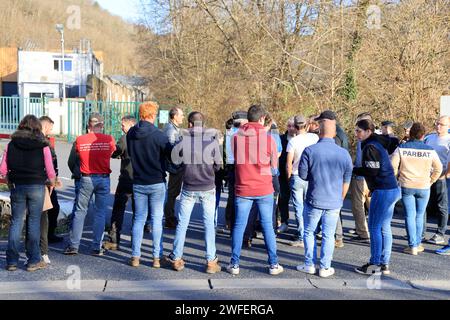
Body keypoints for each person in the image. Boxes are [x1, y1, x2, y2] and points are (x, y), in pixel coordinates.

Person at [227, 104, 283, 276]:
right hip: (264, 188)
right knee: (267, 225)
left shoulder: (236, 138)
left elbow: (238, 160)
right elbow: (274, 168)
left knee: (239, 225)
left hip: (243, 187)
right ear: (261, 119)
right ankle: (273, 264)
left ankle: (234, 263)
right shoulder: (269, 139)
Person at [296, 111, 353, 278]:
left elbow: (303, 175)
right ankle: (325, 267)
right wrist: (340, 198)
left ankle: (309, 264)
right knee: (329, 235)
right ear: (334, 132)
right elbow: (347, 178)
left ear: (318, 131)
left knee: (309, 232)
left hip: (314, 198)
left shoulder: (310, 151)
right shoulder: (344, 154)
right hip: (334, 201)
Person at [165, 112, 222, 273]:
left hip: (189, 186)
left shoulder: (184, 139)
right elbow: (218, 166)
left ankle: (176, 257)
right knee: (208, 224)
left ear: (190, 124)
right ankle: (211, 261)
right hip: (207, 186)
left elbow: (175, 160)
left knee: (182, 223)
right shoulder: (212, 140)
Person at [0, 115, 56, 272]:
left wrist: (10, 179)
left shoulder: (11, 145)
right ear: (37, 127)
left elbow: (2, 170)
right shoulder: (43, 145)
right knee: (33, 222)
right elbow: (50, 171)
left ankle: (11, 261)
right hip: (37, 186)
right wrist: (52, 183)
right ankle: (33, 260)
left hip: (17, 186)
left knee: (16, 222)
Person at [127, 102, 173, 268]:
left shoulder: (131, 133)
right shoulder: (158, 135)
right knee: (156, 220)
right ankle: (156, 257)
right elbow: (171, 153)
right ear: (153, 115)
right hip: (156, 181)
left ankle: (135, 256)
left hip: (138, 181)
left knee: (139, 219)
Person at [353, 119, 401, 276]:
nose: (356, 134)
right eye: (356, 131)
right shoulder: (377, 143)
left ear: (368, 131)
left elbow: (372, 171)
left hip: (383, 190)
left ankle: (375, 264)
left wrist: (354, 170)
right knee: (384, 227)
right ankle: (384, 263)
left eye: (359, 131)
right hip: (391, 188)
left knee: (374, 227)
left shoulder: (371, 146)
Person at [64, 113, 116, 256]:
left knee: (80, 211)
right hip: (104, 178)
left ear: (88, 125)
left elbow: (74, 158)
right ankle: (96, 247)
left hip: (86, 178)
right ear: (102, 125)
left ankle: (74, 246)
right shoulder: (109, 139)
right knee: (100, 212)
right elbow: (112, 151)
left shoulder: (80, 140)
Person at [391, 122, 442, 255]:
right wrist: (431, 181)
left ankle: (412, 245)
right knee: (420, 215)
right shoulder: (430, 150)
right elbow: (439, 168)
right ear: (423, 135)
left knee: (409, 215)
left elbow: (392, 167)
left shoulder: (402, 148)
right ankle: (418, 244)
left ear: (411, 134)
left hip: (407, 185)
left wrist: (398, 178)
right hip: (424, 186)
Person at [243, 114, 282, 247]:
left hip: (250, 175)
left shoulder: (247, 135)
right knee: (269, 209)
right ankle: (270, 239)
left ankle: (247, 236)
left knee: (252, 209)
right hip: (268, 174)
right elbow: (276, 159)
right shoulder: (273, 136)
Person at [103, 115, 137, 251]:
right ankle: (136, 241)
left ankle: (114, 240)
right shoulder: (142, 137)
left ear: (131, 124)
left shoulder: (125, 138)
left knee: (118, 209)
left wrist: (116, 152)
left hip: (126, 179)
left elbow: (115, 152)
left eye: (123, 125)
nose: (121, 128)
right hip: (140, 179)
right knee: (138, 212)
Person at [286, 115, 319, 247]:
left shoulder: (292, 142)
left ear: (295, 126)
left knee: (299, 207)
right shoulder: (315, 138)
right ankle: (311, 233)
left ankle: (301, 236)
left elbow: (289, 163)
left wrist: (288, 176)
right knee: (311, 206)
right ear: (307, 126)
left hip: (297, 176)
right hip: (312, 176)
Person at [424, 115, 450, 245]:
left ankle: (440, 234)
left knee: (442, 206)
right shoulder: (429, 138)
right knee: (423, 205)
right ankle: (420, 233)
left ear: (448, 127)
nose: (438, 126)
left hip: (441, 178)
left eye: (442, 124)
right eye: (437, 123)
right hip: (425, 177)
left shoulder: (449, 140)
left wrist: (445, 174)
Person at [349, 112, 372, 243]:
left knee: (358, 205)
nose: (357, 130)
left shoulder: (362, 140)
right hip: (372, 177)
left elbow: (360, 159)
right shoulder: (377, 138)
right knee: (372, 205)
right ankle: (373, 230)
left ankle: (363, 233)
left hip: (361, 177)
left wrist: (355, 169)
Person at [39, 116, 62, 245]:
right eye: (51, 128)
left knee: (54, 208)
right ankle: (43, 238)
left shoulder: (45, 140)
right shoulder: (41, 142)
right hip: (44, 181)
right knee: (44, 211)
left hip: (49, 180)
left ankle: (49, 234)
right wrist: (52, 180)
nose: (51, 131)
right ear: (46, 126)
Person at [224, 111, 248, 231]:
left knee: (232, 196)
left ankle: (229, 222)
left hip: (231, 166)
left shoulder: (230, 131)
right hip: (238, 165)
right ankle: (237, 224)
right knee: (239, 196)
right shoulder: (239, 133)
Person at [163, 107, 185, 229]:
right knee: (172, 192)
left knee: (173, 192)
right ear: (174, 116)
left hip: (175, 166)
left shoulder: (173, 128)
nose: (182, 117)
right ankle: (169, 218)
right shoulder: (171, 130)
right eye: (181, 115)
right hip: (175, 167)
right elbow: (172, 151)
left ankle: (170, 216)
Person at [276, 117, 296, 234]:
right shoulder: (281, 139)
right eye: (289, 126)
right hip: (283, 175)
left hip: (297, 174)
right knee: (283, 200)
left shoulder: (300, 140)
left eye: (293, 126)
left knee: (299, 202)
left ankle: (301, 225)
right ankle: (284, 222)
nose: (291, 128)